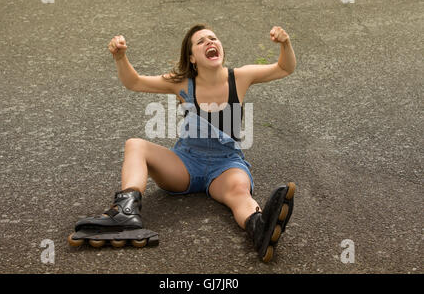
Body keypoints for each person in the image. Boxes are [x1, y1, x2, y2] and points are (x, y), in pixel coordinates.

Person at [76, 24, 297, 263]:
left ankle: (259, 227)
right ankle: (125, 213)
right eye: (201, 41)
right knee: (135, 144)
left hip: (226, 165)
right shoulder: (182, 83)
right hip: (186, 163)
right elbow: (135, 82)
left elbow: (285, 67)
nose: (210, 42)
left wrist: (285, 43)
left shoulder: (240, 77)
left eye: (213, 38)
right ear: (192, 57)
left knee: (239, 191)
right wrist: (120, 57)